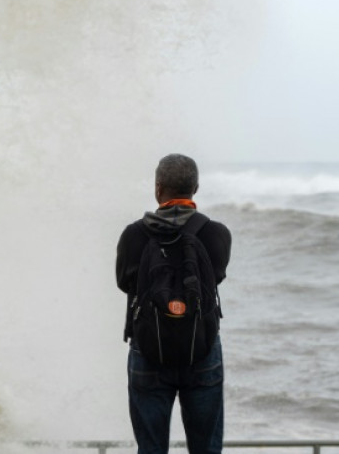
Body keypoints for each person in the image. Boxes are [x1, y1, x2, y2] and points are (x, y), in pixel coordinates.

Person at [116, 154, 232, 454]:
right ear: (195, 188)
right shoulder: (216, 233)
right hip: (202, 349)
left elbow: (125, 283)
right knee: (206, 449)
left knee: (151, 449)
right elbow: (216, 277)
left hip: (148, 349)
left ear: (158, 188)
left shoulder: (133, 235)